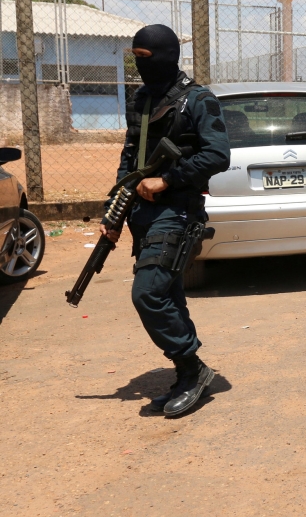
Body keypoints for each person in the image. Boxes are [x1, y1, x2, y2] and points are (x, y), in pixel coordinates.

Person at [99, 25, 230, 417]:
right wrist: (114, 211)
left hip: (179, 210)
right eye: (135, 57)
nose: (140, 66)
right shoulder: (141, 98)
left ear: (167, 56)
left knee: (148, 293)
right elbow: (130, 155)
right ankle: (186, 374)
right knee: (168, 294)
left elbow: (218, 155)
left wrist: (168, 178)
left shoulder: (198, 100)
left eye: (145, 57)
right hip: (143, 212)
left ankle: (194, 367)